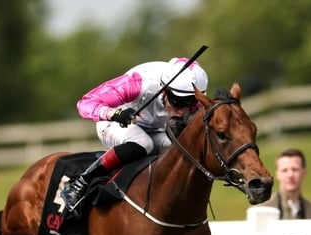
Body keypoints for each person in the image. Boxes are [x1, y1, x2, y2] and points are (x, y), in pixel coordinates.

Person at [62, 57, 209, 215]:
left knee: (179, 148)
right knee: (143, 142)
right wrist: (113, 113)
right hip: (118, 123)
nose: (182, 111)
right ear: (164, 89)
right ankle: (80, 183)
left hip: (156, 129)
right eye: (177, 102)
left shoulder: (194, 94)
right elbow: (85, 103)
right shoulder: (139, 83)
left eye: (190, 104)